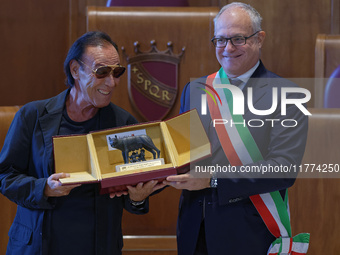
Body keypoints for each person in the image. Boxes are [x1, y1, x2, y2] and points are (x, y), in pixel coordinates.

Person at [0, 31, 165, 255]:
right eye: (102, 72)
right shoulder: (33, 116)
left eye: (117, 72)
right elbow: (6, 176)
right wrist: (45, 188)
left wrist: (137, 198)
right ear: (75, 70)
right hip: (38, 246)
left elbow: (133, 187)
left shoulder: (124, 124)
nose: (112, 82)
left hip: (98, 246)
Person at [164, 2, 309, 255]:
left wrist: (213, 179)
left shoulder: (288, 95)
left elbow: (283, 168)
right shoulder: (196, 89)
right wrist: (142, 181)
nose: (228, 48)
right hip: (193, 231)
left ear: (259, 38)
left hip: (249, 233)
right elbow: (183, 156)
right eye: (220, 40)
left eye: (238, 39)